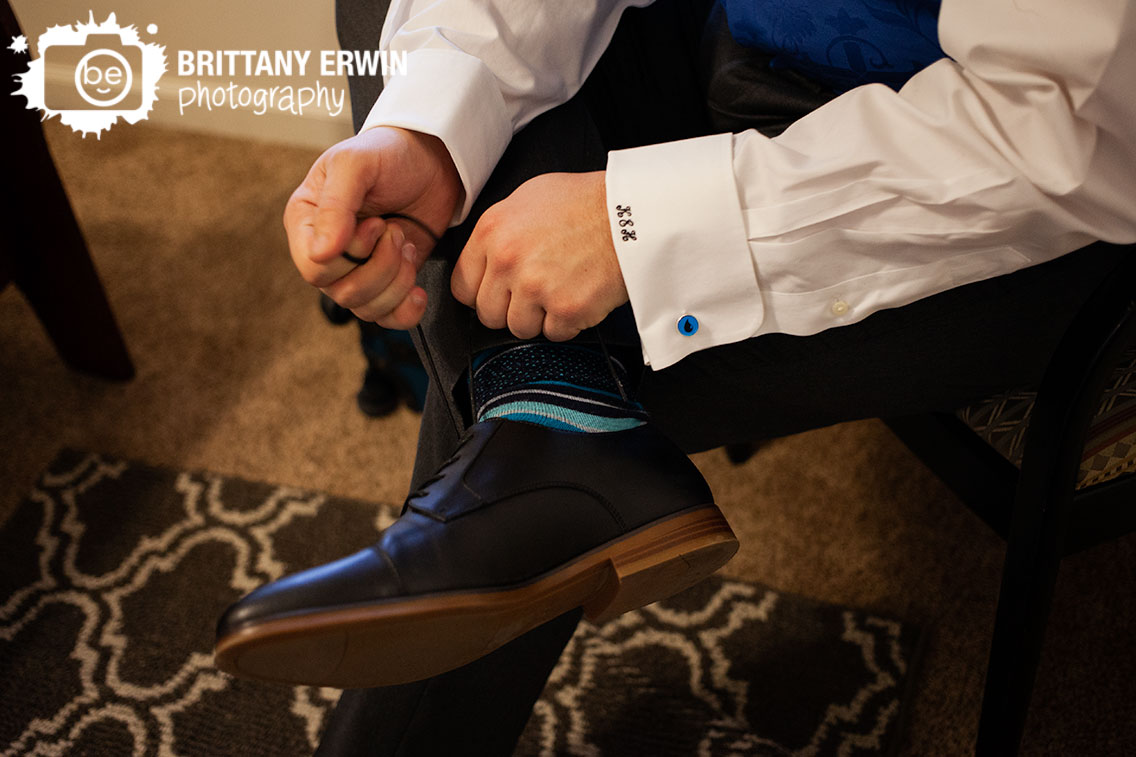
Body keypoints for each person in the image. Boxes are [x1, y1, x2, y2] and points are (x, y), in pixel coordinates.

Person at [215, 0, 1136, 753]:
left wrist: (637, 230)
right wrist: (430, 131)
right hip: (742, 47)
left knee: (550, 392)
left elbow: (1074, 130)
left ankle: (545, 426)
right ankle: (550, 411)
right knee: (410, 34)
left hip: (1028, 213)